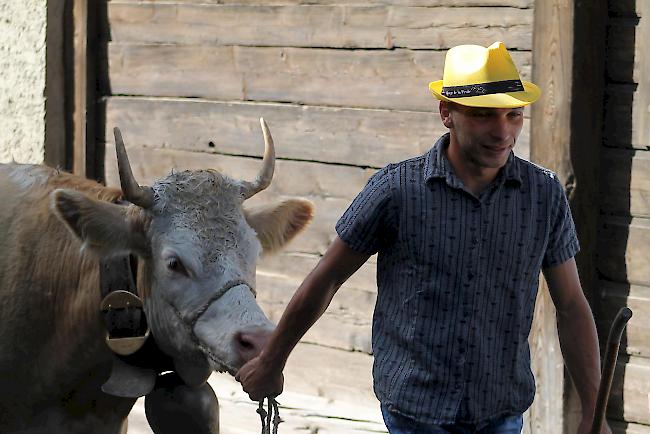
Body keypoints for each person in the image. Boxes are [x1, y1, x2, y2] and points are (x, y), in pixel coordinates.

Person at [236, 41, 609, 434]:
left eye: (513, 115)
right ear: (447, 113)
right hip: (415, 409)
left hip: (500, 410)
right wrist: (271, 361)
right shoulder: (397, 190)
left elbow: (570, 304)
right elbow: (327, 278)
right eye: (484, 115)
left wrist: (593, 409)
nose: (503, 131)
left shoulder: (543, 194)